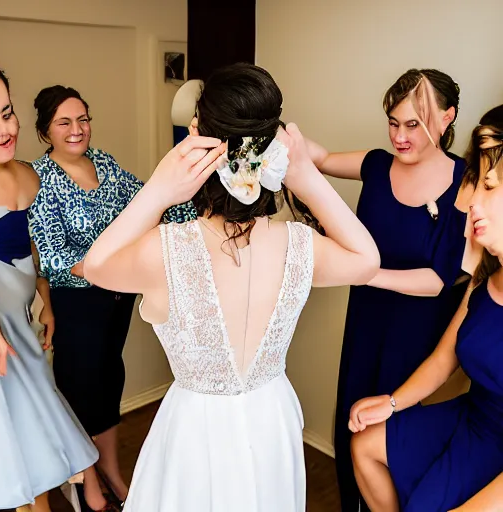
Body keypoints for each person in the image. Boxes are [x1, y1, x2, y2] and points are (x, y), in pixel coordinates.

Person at [82, 63, 380, 512]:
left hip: (197, 430)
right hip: (272, 418)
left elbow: (97, 267)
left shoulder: (167, 250)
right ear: (273, 149)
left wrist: (160, 190)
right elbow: (368, 260)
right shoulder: (298, 244)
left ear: (197, 140)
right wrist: (306, 176)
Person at [306, 68, 470, 511]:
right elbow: (317, 159)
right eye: (393, 123)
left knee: (397, 440)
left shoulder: (465, 181)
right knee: (353, 421)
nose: (400, 136)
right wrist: (283, 137)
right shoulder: (377, 166)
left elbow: (439, 279)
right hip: (367, 322)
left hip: (422, 335)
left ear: (446, 117)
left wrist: (363, 272)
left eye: (412, 125)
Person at [27, 85, 196, 509]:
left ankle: (112, 469)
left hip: (116, 301)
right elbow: (53, 257)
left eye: (83, 119)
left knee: (108, 383)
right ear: (46, 130)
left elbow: (147, 205)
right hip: (77, 304)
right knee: (79, 391)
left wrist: (191, 206)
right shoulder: (39, 179)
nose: (77, 129)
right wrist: (110, 264)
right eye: (64, 122)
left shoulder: (103, 162)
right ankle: (88, 483)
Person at [348, 104, 503, 511]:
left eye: (487, 185)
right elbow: (443, 358)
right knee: (365, 443)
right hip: (476, 421)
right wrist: (393, 401)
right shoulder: (487, 279)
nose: (470, 200)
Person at [0, 60, 110, 512]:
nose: (4, 129)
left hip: (22, 331)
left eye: (7, 113)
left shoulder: (28, 174)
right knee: (9, 456)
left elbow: (34, 249)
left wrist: (47, 304)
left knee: (36, 451)